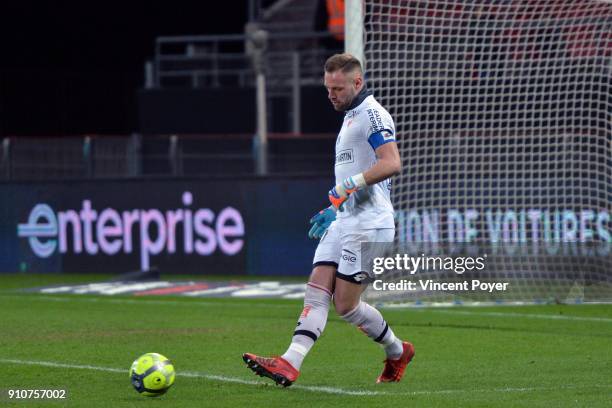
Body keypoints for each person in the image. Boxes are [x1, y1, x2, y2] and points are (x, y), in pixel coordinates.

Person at [242, 53, 414, 386]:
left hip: (370, 227)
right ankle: (289, 362)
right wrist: (336, 208)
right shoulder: (350, 115)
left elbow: (391, 163)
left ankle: (398, 351)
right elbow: (356, 172)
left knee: (347, 306)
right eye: (328, 88)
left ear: (357, 82)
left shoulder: (373, 114)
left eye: (337, 88)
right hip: (347, 221)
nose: (331, 95)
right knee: (317, 288)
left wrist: (350, 184)